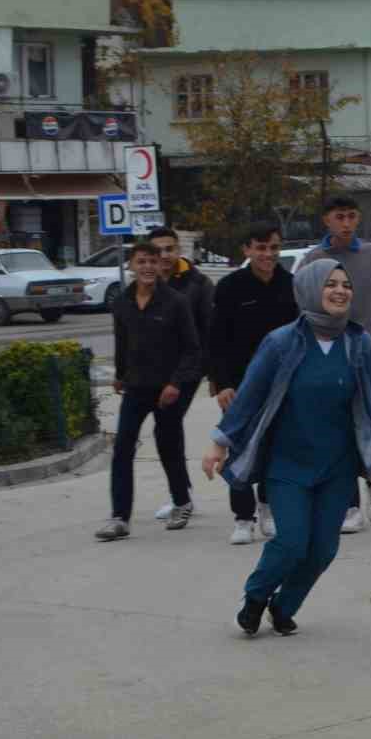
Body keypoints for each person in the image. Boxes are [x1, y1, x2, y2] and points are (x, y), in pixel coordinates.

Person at [202, 259, 371, 636]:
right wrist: (219, 444)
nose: (340, 291)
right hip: (287, 465)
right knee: (291, 542)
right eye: (330, 284)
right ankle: (255, 597)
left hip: (337, 466)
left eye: (345, 284)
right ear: (309, 289)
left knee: (323, 549)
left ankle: (284, 606)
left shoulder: (360, 344)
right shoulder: (282, 342)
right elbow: (250, 396)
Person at [300, 197, 371, 533]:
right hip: (331, 355)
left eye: (351, 216)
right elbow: (302, 308)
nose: (346, 223)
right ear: (326, 220)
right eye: (339, 216)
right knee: (341, 430)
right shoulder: (315, 260)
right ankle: (348, 506)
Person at [98, 241, 202, 540]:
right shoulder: (122, 302)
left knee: (169, 447)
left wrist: (175, 384)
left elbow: (192, 350)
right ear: (131, 265)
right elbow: (122, 342)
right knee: (122, 450)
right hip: (135, 387)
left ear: (160, 266)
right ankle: (119, 517)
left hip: (166, 390)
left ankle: (181, 502)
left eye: (152, 262)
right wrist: (119, 375)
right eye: (141, 261)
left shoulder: (176, 302)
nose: (147, 267)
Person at [209, 221, 299, 545]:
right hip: (240, 386)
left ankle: (268, 508)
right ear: (247, 250)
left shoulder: (291, 285)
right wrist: (222, 384)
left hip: (282, 385)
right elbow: (216, 340)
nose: (268, 254)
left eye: (273, 248)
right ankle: (242, 517)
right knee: (238, 449)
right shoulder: (230, 287)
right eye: (260, 248)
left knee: (276, 450)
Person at [148, 226, 214, 523]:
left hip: (188, 370)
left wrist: (212, 373)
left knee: (166, 426)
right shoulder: (145, 283)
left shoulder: (198, 284)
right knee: (167, 430)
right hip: (154, 372)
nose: (164, 256)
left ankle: (181, 499)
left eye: (169, 249)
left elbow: (210, 330)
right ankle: (181, 494)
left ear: (178, 250)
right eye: (157, 250)